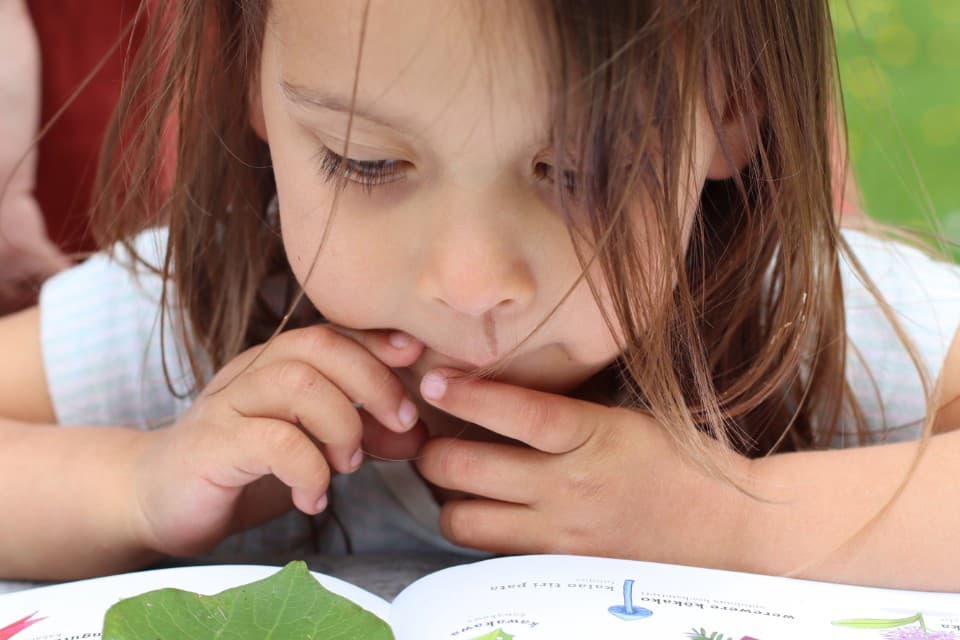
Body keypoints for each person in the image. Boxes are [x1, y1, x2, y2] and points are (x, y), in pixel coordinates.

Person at [0, 0, 957, 592]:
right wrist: (134, 486)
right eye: (366, 163)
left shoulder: (798, 317)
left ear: (732, 105)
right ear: (253, 79)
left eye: (580, 170)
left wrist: (734, 516)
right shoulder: (202, 308)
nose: (469, 281)